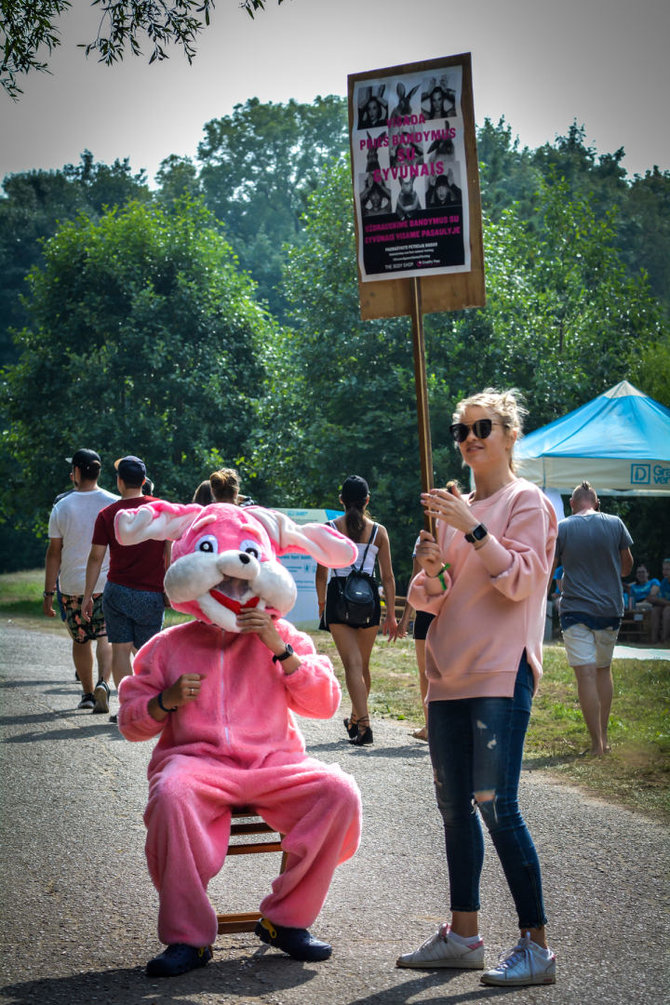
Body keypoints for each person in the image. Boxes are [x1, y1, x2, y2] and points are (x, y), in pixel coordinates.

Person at [115, 501, 362, 977]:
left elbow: (325, 704)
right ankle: (188, 937)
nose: (232, 587)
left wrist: (281, 650)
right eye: (220, 580)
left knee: (339, 792)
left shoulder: (283, 634)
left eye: (241, 579)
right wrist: (163, 702)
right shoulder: (168, 646)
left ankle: (286, 921)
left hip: (274, 765)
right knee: (171, 794)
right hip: (198, 765)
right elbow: (130, 722)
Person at [397, 388, 558, 988]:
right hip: (449, 675)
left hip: (499, 672)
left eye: (483, 427)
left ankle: (535, 947)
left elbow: (520, 583)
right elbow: (429, 598)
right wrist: (430, 565)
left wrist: (470, 529)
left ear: (511, 433)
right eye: (460, 430)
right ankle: (464, 937)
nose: (470, 438)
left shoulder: (529, 502)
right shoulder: (452, 507)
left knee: (498, 807)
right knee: (453, 811)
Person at [82, 456, 168, 721]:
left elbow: (96, 557)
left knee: (120, 650)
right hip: (151, 593)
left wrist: (87, 596)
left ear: (119, 482)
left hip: (117, 591)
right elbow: (169, 550)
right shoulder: (161, 510)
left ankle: (127, 708)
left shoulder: (107, 515)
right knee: (147, 653)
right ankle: (149, 707)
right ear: (143, 481)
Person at [315, 475, 398, 746]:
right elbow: (387, 578)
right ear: (367, 500)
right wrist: (392, 615)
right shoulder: (379, 531)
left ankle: (364, 726)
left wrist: (321, 604)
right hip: (369, 600)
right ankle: (354, 718)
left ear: (341, 500)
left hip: (339, 598)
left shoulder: (329, 529)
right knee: (362, 666)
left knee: (351, 665)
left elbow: (321, 572)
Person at [554, 481, 634, 756]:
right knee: (603, 670)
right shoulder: (615, 523)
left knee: (585, 674)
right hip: (610, 609)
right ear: (597, 503)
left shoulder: (562, 528)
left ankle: (596, 744)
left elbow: (550, 566)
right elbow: (627, 567)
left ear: (572, 504)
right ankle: (605, 739)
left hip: (575, 609)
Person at [43, 449, 117, 711]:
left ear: (75, 472)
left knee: (81, 639)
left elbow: (54, 552)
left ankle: (87, 695)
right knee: (106, 635)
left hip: (73, 586)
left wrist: (48, 593)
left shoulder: (62, 506)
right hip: (107, 584)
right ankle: (103, 684)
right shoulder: (114, 502)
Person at [397, 548, 434, 741]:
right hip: (449, 609)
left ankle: (430, 727)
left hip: (428, 608)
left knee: (425, 673)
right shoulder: (460, 531)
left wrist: (405, 618)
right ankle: (436, 727)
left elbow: (415, 578)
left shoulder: (423, 540)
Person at [650, 558, 670, 644]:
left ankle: (664, 640)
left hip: (667, 608)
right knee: (655, 610)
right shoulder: (664, 582)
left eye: (668, 569)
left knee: (667, 611)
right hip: (666, 605)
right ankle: (654, 640)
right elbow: (661, 598)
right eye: (663, 569)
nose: (664, 571)